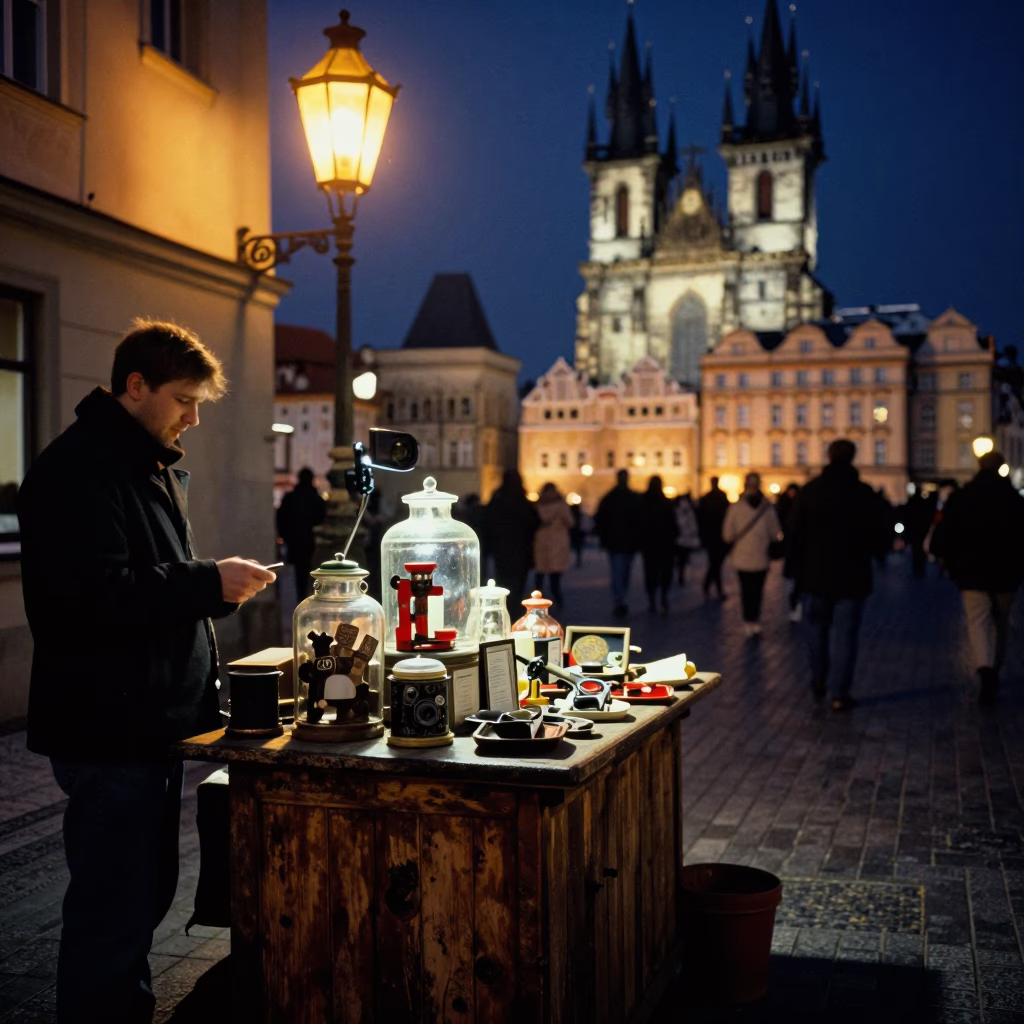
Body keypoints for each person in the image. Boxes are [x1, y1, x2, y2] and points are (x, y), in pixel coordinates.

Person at [16, 320, 276, 1022]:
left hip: (142, 722)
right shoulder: (81, 469)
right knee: (114, 906)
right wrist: (207, 583)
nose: (193, 416)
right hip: (107, 725)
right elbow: (95, 596)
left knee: (140, 897)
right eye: (185, 399)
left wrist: (210, 587)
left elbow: (146, 579)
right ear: (136, 387)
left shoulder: (142, 461)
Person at [784, 439, 889, 711]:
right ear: (853, 457)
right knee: (845, 636)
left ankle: (819, 680)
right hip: (852, 576)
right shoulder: (863, 492)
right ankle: (840, 693)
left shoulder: (809, 492)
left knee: (816, 630)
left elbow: (794, 534)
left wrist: (792, 570)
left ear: (828, 457)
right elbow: (879, 535)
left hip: (814, 575)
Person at [929, 452, 1024, 705]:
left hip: (971, 571)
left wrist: (948, 558)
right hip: (1007, 571)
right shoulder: (1013, 499)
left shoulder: (963, 496)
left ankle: (984, 668)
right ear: (1001, 468)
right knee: (1001, 622)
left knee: (978, 621)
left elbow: (944, 534)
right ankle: (996, 667)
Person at [722, 472, 782, 636]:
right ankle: (754, 620)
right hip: (760, 556)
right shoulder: (767, 508)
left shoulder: (735, 507)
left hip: (742, 556)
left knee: (746, 590)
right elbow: (775, 532)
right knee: (757, 590)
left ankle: (748, 620)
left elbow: (727, 535)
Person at [482, 470, 539, 607]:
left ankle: (506, 606)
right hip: (521, 548)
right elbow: (534, 522)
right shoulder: (522, 500)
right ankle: (514, 607)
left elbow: (487, 520)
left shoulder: (498, 498)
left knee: (503, 579)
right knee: (518, 582)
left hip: (501, 547)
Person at [594, 468, 643, 617]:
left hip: (619, 542)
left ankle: (620, 597)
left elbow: (599, 519)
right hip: (621, 542)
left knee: (621, 571)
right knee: (620, 571)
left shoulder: (611, 498)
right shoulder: (627, 497)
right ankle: (619, 599)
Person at [276, 466, 326, 600]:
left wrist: (286, 538)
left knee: (299, 575)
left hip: (295, 542)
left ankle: (301, 599)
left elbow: (281, 519)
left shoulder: (290, 498)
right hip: (312, 543)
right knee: (314, 573)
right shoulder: (317, 500)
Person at [640, 476, 679, 613]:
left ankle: (652, 599)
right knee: (664, 573)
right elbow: (674, 525)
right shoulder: (666, 503)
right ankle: (663, 597)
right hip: (665, 545)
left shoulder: (643, 502)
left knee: (651, 573)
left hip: (650, 545)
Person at [532, 482, 574, 608]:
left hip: (541, 540)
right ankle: (558, 598)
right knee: (555, 575)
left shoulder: (538, 505)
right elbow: (570, 522)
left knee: (540, 572)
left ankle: (537, 597)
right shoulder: (561, 505)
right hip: (557, 541)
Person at [697, 476, 731, 599]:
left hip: (713, 536)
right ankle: (715, 587)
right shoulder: (719, 497)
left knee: (714, 563)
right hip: (717, 536)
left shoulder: (707, 498)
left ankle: (709, 585)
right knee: (715, 563)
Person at [775, 482, 803, 621]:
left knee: (798, 581)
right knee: (794, 580)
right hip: (792, 549)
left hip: (799, 550)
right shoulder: (785, 506)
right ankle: (794, 603)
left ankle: (796, 603)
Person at [673, 493, 701, 586]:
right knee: (683, 559)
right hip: (684, 539)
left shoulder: (680, 511)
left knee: (682, 559)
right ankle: (681, 575)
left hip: (682, 539)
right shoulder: (689, 511)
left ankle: (680, 574)